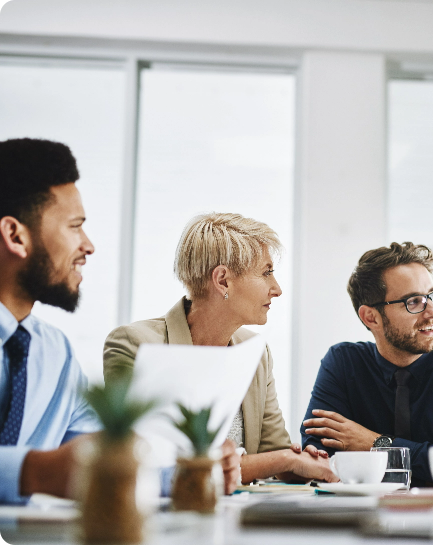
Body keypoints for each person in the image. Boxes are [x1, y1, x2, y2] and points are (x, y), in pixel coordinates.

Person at [0, 138, 240, 503]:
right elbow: (55, 468)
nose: (88, 245)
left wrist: (189, 472)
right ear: (16, 236)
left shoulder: (54, 353)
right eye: (74, 226)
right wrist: (35, 471)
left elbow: (99, 458)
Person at [104, 213, 336, 484]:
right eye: (266, 272)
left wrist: (299, 463)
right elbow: (150, 462)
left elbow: (274, 452)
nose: (277, 289)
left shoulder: (256, 352)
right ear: (223, 280)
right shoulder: (135, 344)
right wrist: (284, 460)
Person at [300, 242, 433, 488]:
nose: (432, 313)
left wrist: (376, 444)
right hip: (362, 518)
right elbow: (320, 461)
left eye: (432, 296)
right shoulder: (343, 363)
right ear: (371, 317)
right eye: (414, 301)